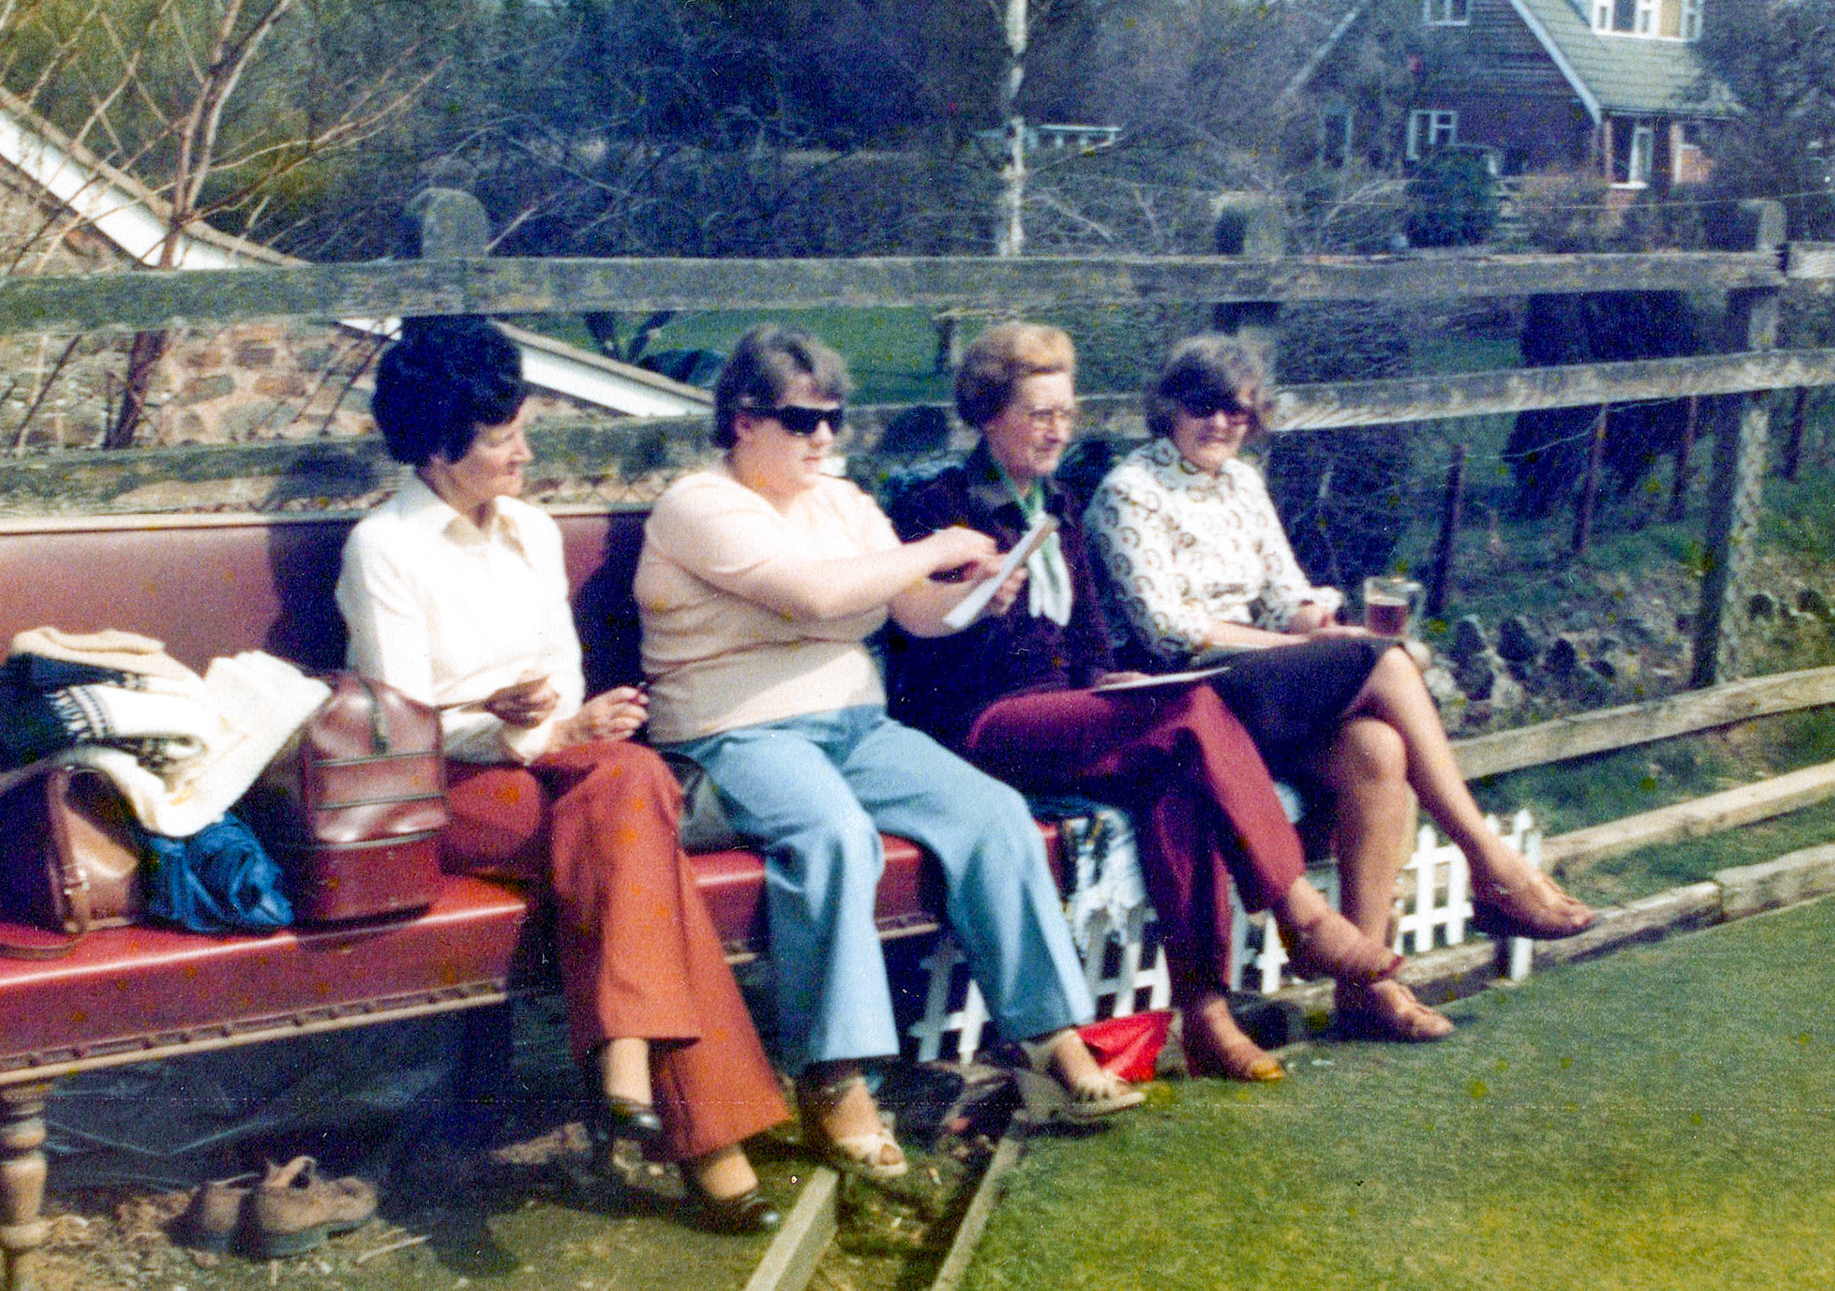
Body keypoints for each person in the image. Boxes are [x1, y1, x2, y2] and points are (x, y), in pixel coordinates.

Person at [635, 325, 1142, 1182]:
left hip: (853, 725)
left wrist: (978, 594)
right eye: (801, 420)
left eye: (831, 419)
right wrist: (939, 547)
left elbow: (912, 614)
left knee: (990, 812)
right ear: (742, 420)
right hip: (736, 730)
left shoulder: (839, 501)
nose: (823, 438)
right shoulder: (700, 504)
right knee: (832, 835)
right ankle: (837, 1077)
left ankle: (1048, 1037)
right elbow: (815, 592)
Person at [335, 316, 787, 1233]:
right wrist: (511, 730)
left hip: (556, 765)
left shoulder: (533, 532)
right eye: (503, 439)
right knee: (636, 811)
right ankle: (694, 1126)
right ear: (436, 445)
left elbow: (564, 675)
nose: (524, 454)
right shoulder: (384, 548)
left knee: (628, 783)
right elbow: (402, 718)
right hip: (448, 785)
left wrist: (571, 724)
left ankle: (635, 1052)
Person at [886, 322, 1402, 1083]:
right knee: (1193, 715)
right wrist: (978, 602)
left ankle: (1206, 1015)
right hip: (981, 723)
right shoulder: (939, 505)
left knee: (1178, 769)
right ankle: (1303, 914)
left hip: (1070, 712)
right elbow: (920, 655)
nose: (1058, 429)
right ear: (988, 414)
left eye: (1067, 412)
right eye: (1038, 413)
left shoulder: (1056, 502)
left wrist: (1116, 683)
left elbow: (1091, 640)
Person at [1088, 332, 1598, 1041]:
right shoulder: (1130, 492)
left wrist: (1314, 620)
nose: (1224, 424)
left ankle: (1369, 986)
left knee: (1378, 748)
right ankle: (1493, 865)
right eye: (1206, 407)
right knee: (1387, 663)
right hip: (1187, 690)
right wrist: (1306, 647)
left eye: (1241, 411)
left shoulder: (1242, 482)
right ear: (1167, 406)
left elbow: (1282, 592)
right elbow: (1169, 628)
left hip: (1262, 677)